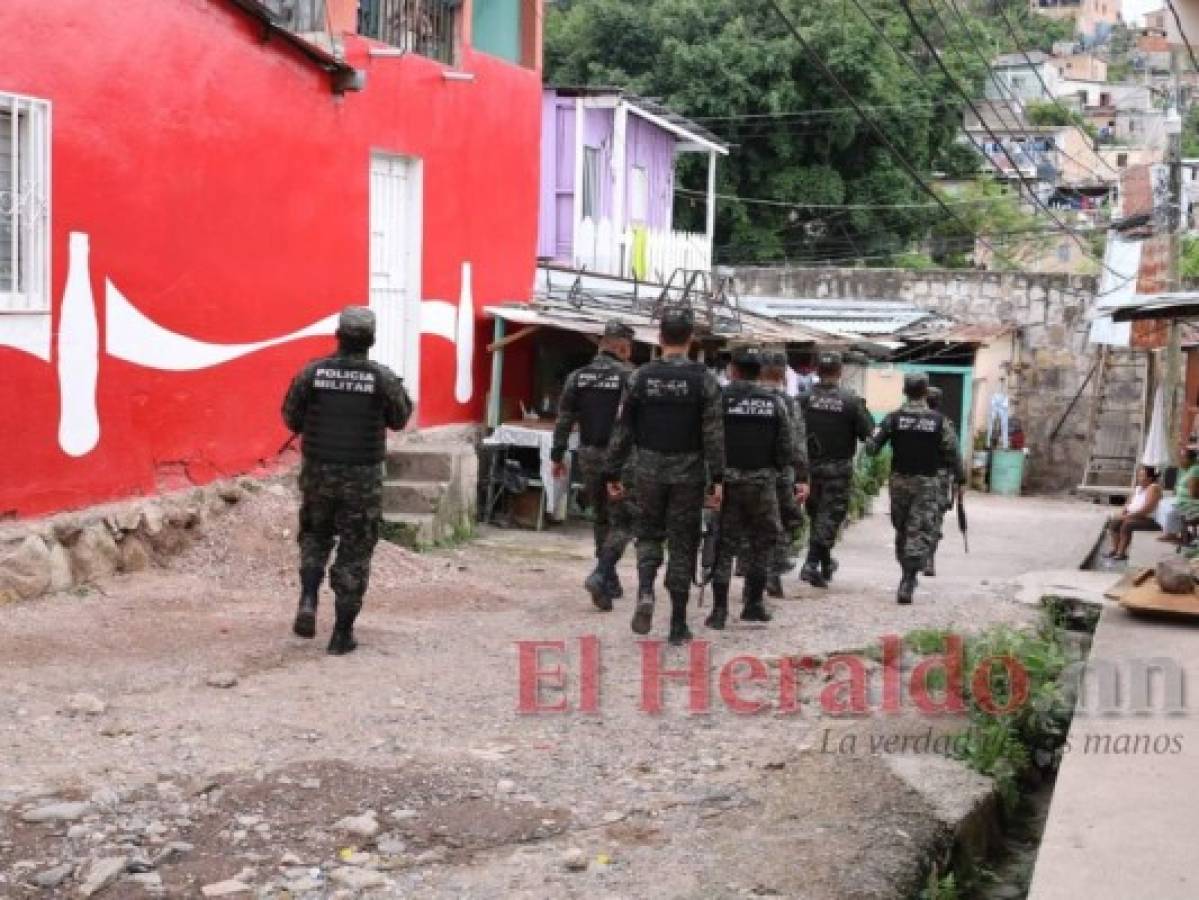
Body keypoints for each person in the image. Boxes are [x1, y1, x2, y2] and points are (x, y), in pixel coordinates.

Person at [282, 307, 413, 654]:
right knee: (355, 550)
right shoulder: (382, 379)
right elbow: (400, 420)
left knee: (315, 536)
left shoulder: (311, 373)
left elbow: (291, 419)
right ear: (371, 340)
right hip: (362, 479)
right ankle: (341, 635)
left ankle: (308, 599)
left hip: (318, 474)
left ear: (338, 336)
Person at [605, 308, 724, 645]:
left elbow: (623, 428)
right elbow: (713, 435)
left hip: (647, 471)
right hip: (688, 474)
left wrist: (613, 471)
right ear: (690, 339)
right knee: (683, 543)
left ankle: (645, 591)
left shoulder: (639, 378)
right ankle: (677, 622)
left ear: (659, 338)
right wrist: (717, 480)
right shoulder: (705, 380)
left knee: (648, 534)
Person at [705, 346, 796, 629]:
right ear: (760, 372)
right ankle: (753, 604)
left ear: (732, 370)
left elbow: (708, 439)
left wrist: (713, 478)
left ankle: (719, 611)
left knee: (723, 544)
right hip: (762, 483)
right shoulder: (774, 402)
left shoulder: (719, 400)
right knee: (761, 543)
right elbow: (786, 447)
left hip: (726, 483)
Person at [550, 321, 637, 610]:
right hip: (621, 459)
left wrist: (557, 454)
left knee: (600, 517)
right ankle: (603, 574)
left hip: (588, 454)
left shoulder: (578, 377)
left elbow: (564, 418)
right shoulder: (630, 377)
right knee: (624, 519)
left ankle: (609, 578)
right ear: (622, 347)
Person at [865, 372, 964, 605]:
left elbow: (871, 448)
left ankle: (907, 576)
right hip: (927, 484)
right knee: (917, 530)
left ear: (904, 391)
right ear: (925, 391)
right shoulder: (939, 421)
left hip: (899, 483)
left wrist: (868, 427)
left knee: (902, 529)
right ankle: (908, 577)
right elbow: (953, 454)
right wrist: (960, 479)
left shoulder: (893, 418)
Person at [798, 351, 875, 589]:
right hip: (837, 471)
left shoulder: (802, 399)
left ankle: (826, 562)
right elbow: (868, 432)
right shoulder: (851, 401)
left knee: (819, 518)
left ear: (817, 371)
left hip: (808, 469)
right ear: (840, 372)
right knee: (829, 519)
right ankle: (811, 565)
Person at [761, 350, 810, 596]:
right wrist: (802, 478)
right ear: (782, 373)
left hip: (745, 472)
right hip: (780, 474)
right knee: (786, 520)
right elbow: (797, 443)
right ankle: (773, 570)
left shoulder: (737, 397)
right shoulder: (789, 404)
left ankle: (752, 571)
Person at [923, 386, 962, 578]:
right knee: (935, 518)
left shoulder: (912, 420)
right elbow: (954, 452)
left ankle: (917, 557)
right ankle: (929, 559)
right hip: (938, 476)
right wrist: (960, 478)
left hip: (914, 473)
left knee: (916, 517)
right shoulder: (944, 423)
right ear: (939, 402)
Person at [1103, 466, 1163, 561]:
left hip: (1150, 519)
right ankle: (1114, 549)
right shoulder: (1138, 488)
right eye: (1139, 475)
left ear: (1150, 478)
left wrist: (1128, 516)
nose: (1138, 478)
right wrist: (1123, 512)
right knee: (1115, 521)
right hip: (1135, 516)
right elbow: (1128, 503)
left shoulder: (1153, 488)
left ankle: (1121, 553)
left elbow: (1147, 509)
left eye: (1141, 476)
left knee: (1127, 524)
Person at [1157, 449, 1199, 543]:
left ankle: (1172, 534)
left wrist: (1191, 485)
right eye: (1180, 458)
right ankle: (1173, 532)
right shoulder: (1183, 469)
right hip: (1181, 499)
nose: (1180, 460)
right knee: (1161, 503)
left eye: (1183, 458)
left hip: (1192, 501)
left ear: (1192, 459)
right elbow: (1177, 486)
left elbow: (1194, 493)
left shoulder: (1196, 469)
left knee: (1170, 511)